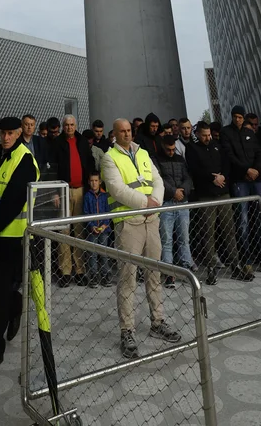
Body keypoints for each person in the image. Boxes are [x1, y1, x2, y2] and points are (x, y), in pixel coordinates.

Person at [102, 118, 181, 359]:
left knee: (154, 274)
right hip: (129, 222)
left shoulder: (143, 153)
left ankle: (158, 321)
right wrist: (145, 203)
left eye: (129, 131)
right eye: (122, 131)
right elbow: (117, 189)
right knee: (127, 278)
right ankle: (127, 330)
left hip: (151, 220)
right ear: (114, 134)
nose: (127, 134)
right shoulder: (109, 157)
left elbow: (157, 180)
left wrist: (154, 203)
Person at [0, 116, 39, 375]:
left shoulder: (25, 160)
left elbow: (13, 200)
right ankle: (15, 305)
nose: (7, 137)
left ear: (19, 133)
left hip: (12, 237)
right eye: (3, 133)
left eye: (11, 133)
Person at [186, 121, 251, 285]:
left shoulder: (218, 145)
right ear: (198, 134)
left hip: (223, 193)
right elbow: (195, 169)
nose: (208, 137)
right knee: (208, 233)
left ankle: (235, 265)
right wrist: (211, 178)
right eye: (204, 135)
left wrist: (222, 177)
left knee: (229, 230)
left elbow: (227, 164)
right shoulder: (192, 148)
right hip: (206, 195)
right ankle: (210, 268)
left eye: (209, 134)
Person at [220, 105, 261, 273]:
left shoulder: (249, 133)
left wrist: (257, 170)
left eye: (240, 117)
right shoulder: (226, 132)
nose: (237, 119)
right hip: (240, 180)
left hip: (255, 179)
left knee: (260, 218)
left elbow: (258, 153)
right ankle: (246, 258)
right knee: (242, 221)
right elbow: (230, 156)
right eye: (235, 116)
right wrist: (247, 170)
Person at [50, 115, 92, 286]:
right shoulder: (57, 143)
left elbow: (89, 163)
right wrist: (54, 191)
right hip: (63, 192)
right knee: (64, 232)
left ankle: (80, 270)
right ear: (62, 126)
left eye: (72, 125)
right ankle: (65, 271)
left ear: (76, 125)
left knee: (80, 232)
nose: (69, 128)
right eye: (66, 125)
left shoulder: (82, 142)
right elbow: (52, 168)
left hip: (81, 191)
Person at [156, 133, 196, 283]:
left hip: (182, 202)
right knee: (166, 239)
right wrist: (173, 192)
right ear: (163, 147)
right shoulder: (157, 159)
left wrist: (183, 191)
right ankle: (168, 272)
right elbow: (158, 179)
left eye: (173, 149)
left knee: (184, 238)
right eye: (168, 150)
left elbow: (188, 177)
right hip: (166, 202)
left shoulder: (180, 159)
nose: (171, 152)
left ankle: (186, 269)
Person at [82, 172, 111, 285]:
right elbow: (85, 213)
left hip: (104, 229)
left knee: (104, 252)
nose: (94, 183)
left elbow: (108, 212)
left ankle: (105, 275)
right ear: (89, 182)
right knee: (92, 253)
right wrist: (91, 225)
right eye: (92, 181)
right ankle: (93, 275)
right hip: (92, 229)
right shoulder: (87, 196)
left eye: (96, 181)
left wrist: (105, 225)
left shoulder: (105, 196)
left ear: (100, 182)